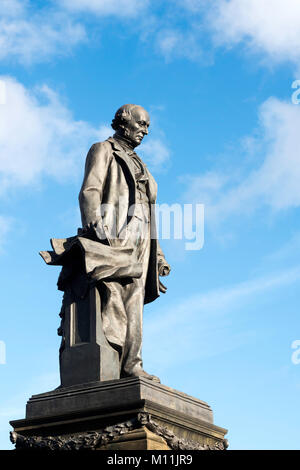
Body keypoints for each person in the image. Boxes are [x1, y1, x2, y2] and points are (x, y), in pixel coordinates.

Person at [78, 104, 170, 382]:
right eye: (141, 124)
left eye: (148, 126)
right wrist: (94, 221)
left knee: (135, 297)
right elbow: (90, 189)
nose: (145, 130)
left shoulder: (141, 162)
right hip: (119, 230)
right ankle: (122, 363)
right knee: (120, 293)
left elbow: (149, 210)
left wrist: (158, 254)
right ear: (123, 121)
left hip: (143, 232)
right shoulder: (103, 149)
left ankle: (132, 364)